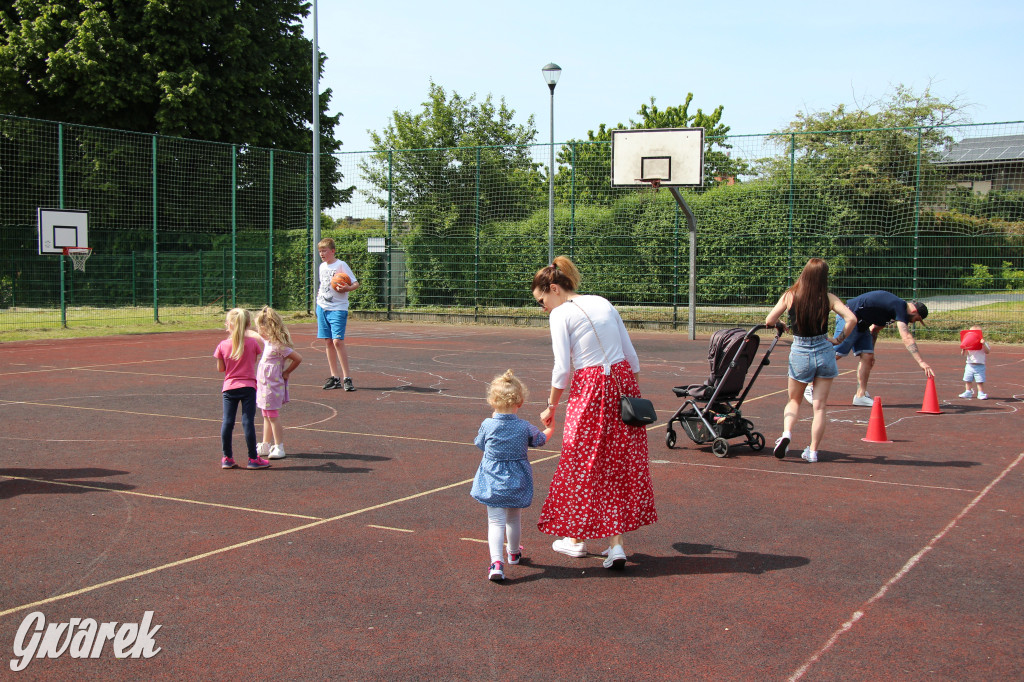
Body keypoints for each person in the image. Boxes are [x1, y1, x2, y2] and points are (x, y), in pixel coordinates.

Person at [532, 256, 656, 570]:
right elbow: (631, 354)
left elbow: (562, 368)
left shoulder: (560, 314)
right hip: (622, 381)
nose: (541, 306)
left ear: (555, 289)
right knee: (616, 462)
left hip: (590, 387)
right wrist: (630, 392)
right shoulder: (602, 301)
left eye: (541, 299)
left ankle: (575, 540)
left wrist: (551, 406)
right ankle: (615, 547)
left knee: (581, 461)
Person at [765, 258, 857, 463]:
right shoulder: (828, 298)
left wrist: (781, 323)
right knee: (820, 407)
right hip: (824, 350)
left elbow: (769, 321)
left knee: (794, 401)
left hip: (800, 350)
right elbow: (851, 319)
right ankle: (813, 452)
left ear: (804, 273)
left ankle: (787, 433)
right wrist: (839, 339)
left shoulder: (790, 295)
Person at [471, 370, 554, 582]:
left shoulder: (488, 424)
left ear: (493, 401)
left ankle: (496, 562)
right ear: (520, 401)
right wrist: (550, 427)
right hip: (517, 479)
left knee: (495, 521)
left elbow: (480, 443)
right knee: (514, 518)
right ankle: (514, 553)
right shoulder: (524, 426)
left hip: (492, 479)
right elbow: (540, 440)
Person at [832, 290, 934, 406]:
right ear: (914, 311)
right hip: (850, 316)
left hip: (862, 323)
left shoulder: (892, 310)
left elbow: (875, 329)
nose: (912, 322)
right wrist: (921, 362)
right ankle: (810, 384)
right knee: (837, 353)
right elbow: (906, 337)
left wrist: (872, 351)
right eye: (916, 319)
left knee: (868, 356)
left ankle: (860, 395)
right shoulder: (900, 306)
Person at [214, 308, 270, 470]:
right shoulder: (252, 343)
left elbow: (221, 369)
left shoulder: (223, 345)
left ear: (229, 325)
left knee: (228, 421)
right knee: (248, 422)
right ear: (248, 325)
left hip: (229, 387)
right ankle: (253, 458)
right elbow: (253, 360)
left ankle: (227, 457)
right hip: (248, 387)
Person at [255, 307, 303, 460]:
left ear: (268, 328)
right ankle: (265, 444)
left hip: (272, 386)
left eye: (260, 328)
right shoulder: (268, 342)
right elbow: (254, 335)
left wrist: (287, 372)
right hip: (264, 385)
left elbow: (298, 358)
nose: (258, 331)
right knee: (266, 415)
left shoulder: (278, 345)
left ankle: (279, 446)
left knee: (273, 416)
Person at [316, 238, 359, 392]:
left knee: (337, 342)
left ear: (332, 251)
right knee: (328, 341)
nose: (322, 253)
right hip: (322, 306)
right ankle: (335, 377)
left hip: (338, 308)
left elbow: (355, 283)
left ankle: (347, 377)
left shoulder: (341, 265)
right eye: (320, 251)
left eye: (324, 251)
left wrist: (346, 289)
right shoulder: (321, 267)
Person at [959, 325, 991, 400]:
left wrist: (983, 344)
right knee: (967, 379)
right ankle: (968, 391)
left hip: (980, 365)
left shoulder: (983, 343)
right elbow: (964, 354)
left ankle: (981, 393)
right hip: (969, 365)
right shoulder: (969, 343)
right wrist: (963, 349)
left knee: (980, 380)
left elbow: (987, 351)